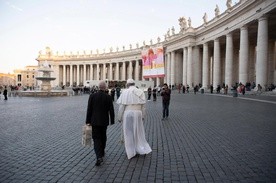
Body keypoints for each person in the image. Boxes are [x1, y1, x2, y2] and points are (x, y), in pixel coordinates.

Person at [117, 79, 152, 159]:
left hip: (128, 113)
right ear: (134, 84)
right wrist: (143, 116)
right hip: (138, 112)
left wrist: (119, 117)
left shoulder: (125, 92)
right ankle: (139, 148)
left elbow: (122, 106)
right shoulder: (140, 91)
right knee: (138, 131)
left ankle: (130, 151)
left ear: (127, 85)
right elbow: (143, 107)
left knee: (128, 132)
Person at [85, 81, 115, 166]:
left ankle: (98, 156)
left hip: (94, 121)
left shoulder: (92, 96)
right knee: (103, 136)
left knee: (96, 138)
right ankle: (102, 151)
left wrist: (88, 121)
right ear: (105, 88)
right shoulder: (108, 97)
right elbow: (111, 110)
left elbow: (89, 109)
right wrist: (112, 120)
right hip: (104, 121)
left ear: (98, 87)